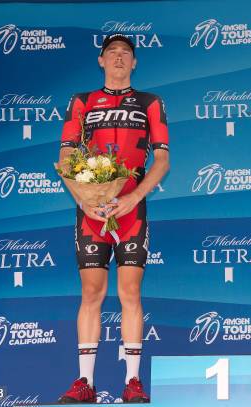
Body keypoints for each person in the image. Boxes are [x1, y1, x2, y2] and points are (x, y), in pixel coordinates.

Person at [57, 33, 169, 404]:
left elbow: (163, 160)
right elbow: (66, 157)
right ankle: (84, 382)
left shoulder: (150, 102)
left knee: (130, 292)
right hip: (91, 210)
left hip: (131, 209)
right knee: (91, 292)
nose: (119, 58)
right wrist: (84, 201)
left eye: (126, 53)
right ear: (101, 61)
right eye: (112, 53)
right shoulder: (83, 101)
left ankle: (132, 382)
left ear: (134, 63)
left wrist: (134, 196)